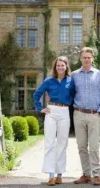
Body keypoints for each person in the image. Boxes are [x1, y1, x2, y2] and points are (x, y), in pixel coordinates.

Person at [33, 56, 75, 186]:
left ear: (66, 66)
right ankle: (51, 175)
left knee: (62, 143)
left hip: (64, 112)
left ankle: (59, 175)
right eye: (58, 65)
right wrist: (40, 108)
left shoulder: (70, 81)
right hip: (51, 112)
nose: (60, 67)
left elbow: (74, 95)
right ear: (55, 67)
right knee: (50, 142)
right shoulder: (49, 81)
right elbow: (36, 94)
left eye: (63, 65)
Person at [72, 47, 100, 186]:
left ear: (92, 58)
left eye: (89, 57)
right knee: (81, 146)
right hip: (79, 114)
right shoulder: (74, 75)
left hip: (94, 114)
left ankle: (97, 174)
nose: (86, 59)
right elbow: (68, 92)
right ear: (80, 58)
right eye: (84, 57)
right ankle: (86, 174)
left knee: (94, 147)